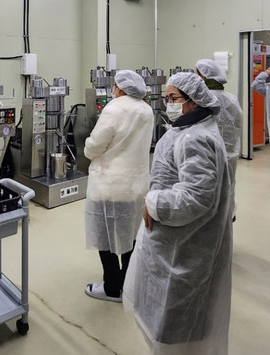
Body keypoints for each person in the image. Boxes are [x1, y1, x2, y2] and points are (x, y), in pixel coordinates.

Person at [123, 72, 233, 354]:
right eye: (166, 98)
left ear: (193, 101)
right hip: (172, 235)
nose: (168, 104)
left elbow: (196, 197)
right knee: (164, 308)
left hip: (185, 243)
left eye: (173, 98)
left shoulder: (196, 138)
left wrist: (154, 202)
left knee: (177, 312)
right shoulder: (187, 129)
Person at [82, 70, 154, 303]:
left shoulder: (114, 108)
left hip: (110, 183)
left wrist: (88, 147)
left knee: (107, 237)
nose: (112, 89)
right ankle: (128, 282)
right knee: (130, 234)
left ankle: (112, 288)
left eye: (114, 85)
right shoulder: (146, 109)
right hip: (136, 184)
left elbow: (95, 145)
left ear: (120, 88)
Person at [196, 59, 243, 220]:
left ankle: (212, 221)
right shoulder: (231, 99)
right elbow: (238, 126)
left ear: (203, 76)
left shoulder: (203, 99)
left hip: (206, 154)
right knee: (228, 187)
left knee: (208, 190)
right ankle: (228, 215)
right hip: (230, 154)